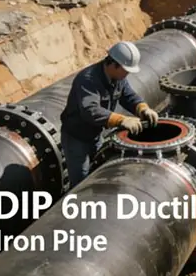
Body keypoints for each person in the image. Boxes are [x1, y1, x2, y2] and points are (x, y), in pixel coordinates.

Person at [60, 41, 159, 187]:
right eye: (125, 70)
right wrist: (121, 120)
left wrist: (143, 108)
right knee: (81, 181)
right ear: (113, 64)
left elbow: (128, 96)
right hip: (77, 138)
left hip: (95, 134)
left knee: (98, 170)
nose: (127, 74)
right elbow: (90, 110)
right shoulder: (88, 79)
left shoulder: (118, 78)